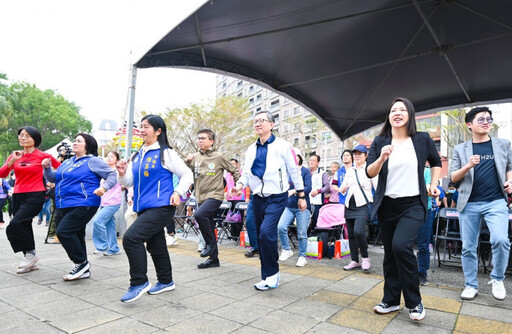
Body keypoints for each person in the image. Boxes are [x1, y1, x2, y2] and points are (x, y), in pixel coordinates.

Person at [366, 97, 441, 321]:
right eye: (393, 110)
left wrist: (434, 184)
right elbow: (370, 172)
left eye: (402, 109)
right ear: (389, 116)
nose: (397, 113)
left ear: (410, 114)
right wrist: (381, 158)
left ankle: (415, 303)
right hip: (387, 205)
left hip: (413, 204)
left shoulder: (422, 139)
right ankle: (390, 300)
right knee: (390, 254)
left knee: (401, 247)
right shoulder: (380, 141)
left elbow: (436, 162)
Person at [116, 115, 193, 303]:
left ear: (158, 131)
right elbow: (130, 182)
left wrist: (178, 192)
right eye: (141, 126)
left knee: (132, 239)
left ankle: (139, 282)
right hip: (143, 207)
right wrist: (122, 173)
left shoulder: (166, 153)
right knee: (156, 245)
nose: (142, 130)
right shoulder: (138, 154)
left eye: (146, 127)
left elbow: (187, 174)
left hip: (161, 206)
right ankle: (166, 281)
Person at [231, 111, 306, 291]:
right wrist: (240, 185)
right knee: (260, 236)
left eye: (262, 121)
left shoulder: (283, 146)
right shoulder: (251, 148)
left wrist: (301, 195)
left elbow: (294, 171)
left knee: (266, 233)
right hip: (257, 197)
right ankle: (267, 276)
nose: (257, 124)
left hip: (277, 197)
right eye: (255, 121)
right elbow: (247, 173)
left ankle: (272, 275)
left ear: (272, 124)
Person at [450, 106, 512, 301]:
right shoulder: (460, 149)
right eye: (481, 119)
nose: (486, 122)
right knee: (468, 246)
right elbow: (453, 177)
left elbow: (510, 167)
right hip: (469, 203)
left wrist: (510, 181)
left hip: (496, 202)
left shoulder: (503, 144)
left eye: (489, 119)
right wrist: (468, 165)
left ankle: (497, 278)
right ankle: (470, 285)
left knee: (500, 240)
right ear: (470, 124)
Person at [43, 133, 117, 281]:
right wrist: (47, 168)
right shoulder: (67, 163)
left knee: (63, 232)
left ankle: (81, 262)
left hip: (84, 203)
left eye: (79, 141)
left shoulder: (93, 161)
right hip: (63, 203)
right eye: (74, 141)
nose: (74, 143)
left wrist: (104, 188)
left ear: (87, 145)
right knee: (76, 234)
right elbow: (53, 177)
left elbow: (111, 176)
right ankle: (83, 269)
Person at [0, 126, 61, 274]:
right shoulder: (15, 155)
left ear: (35, 139)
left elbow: (61, 169)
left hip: (36, 194)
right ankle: (30, 258)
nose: (23, 138)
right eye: (21, 135)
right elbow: (2, 173)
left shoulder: (43, 155)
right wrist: (12, 161)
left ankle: (31, 255)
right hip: (18, 195)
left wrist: (51, 177)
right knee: (25, 225)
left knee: (15, 224)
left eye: (27, 136)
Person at [186, 129, 240, 269]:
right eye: (199, 138)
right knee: (209, 225)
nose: (200, 140)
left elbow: (234, 170)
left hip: (215, 195)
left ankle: (209, 244)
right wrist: (187, 161)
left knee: (199, 215)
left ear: (211, 141)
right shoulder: (195, 157)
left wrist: (238, 187)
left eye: (203, 138)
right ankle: (214, 259)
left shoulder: (219, 156)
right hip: (200, 196)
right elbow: (189, 171)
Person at [340, 144, 377, 272]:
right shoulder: (350, 170)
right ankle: (354, 260)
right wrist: (342, 189)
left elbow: (377, 188)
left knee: (358, 231)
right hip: (349, 204)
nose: (357, 156)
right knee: (350, 234)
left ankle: (365, 258)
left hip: (363, 204)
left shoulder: (370, 169)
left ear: (366, 155)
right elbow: (343, 187)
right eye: (355, 154)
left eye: (359, 154)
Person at [277, 154, 312, 267]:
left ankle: (302, 257)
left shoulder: (305, 171)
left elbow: (308, 188)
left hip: (302, 206)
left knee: (301, 233)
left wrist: (294, 191)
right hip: (289, 206)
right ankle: (286, 249)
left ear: (300, 158)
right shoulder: (288, 172)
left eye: (295, 157)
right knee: (281, 227)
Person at [92, 151, 123, 256]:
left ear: (117, 160)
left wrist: (130, 196)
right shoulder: (103, 172)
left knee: (98, 221)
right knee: (110, 227)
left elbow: (128, 185)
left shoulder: (118, 172)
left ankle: (102, 246)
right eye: (107, 156)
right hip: (104, 202)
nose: (109, 158)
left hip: (113, 202)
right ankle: (114, 248)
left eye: (112, 157)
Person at [308, 155, 329, 231]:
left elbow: (327, 186)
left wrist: (318, 191)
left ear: (318, 163)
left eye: (313, 160)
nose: (311, 162)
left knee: (316, 220)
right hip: (307, 201)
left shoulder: (323, 173)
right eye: (310, 160)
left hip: (318, 201)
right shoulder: (307, 173)